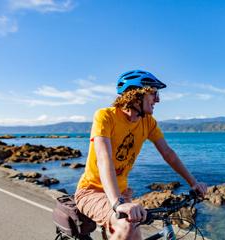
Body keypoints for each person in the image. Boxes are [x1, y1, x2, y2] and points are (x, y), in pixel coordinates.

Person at [75, 70, 207, 240]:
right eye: (153, 93)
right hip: (91, 191)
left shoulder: (148, 122)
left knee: (134, 230)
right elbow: (103, 159)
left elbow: (168, 154)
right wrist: (117, 203)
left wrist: (193, 183)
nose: (158, 99)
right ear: (136, 94)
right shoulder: (105, 117)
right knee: (127, 224)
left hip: (121, 193)